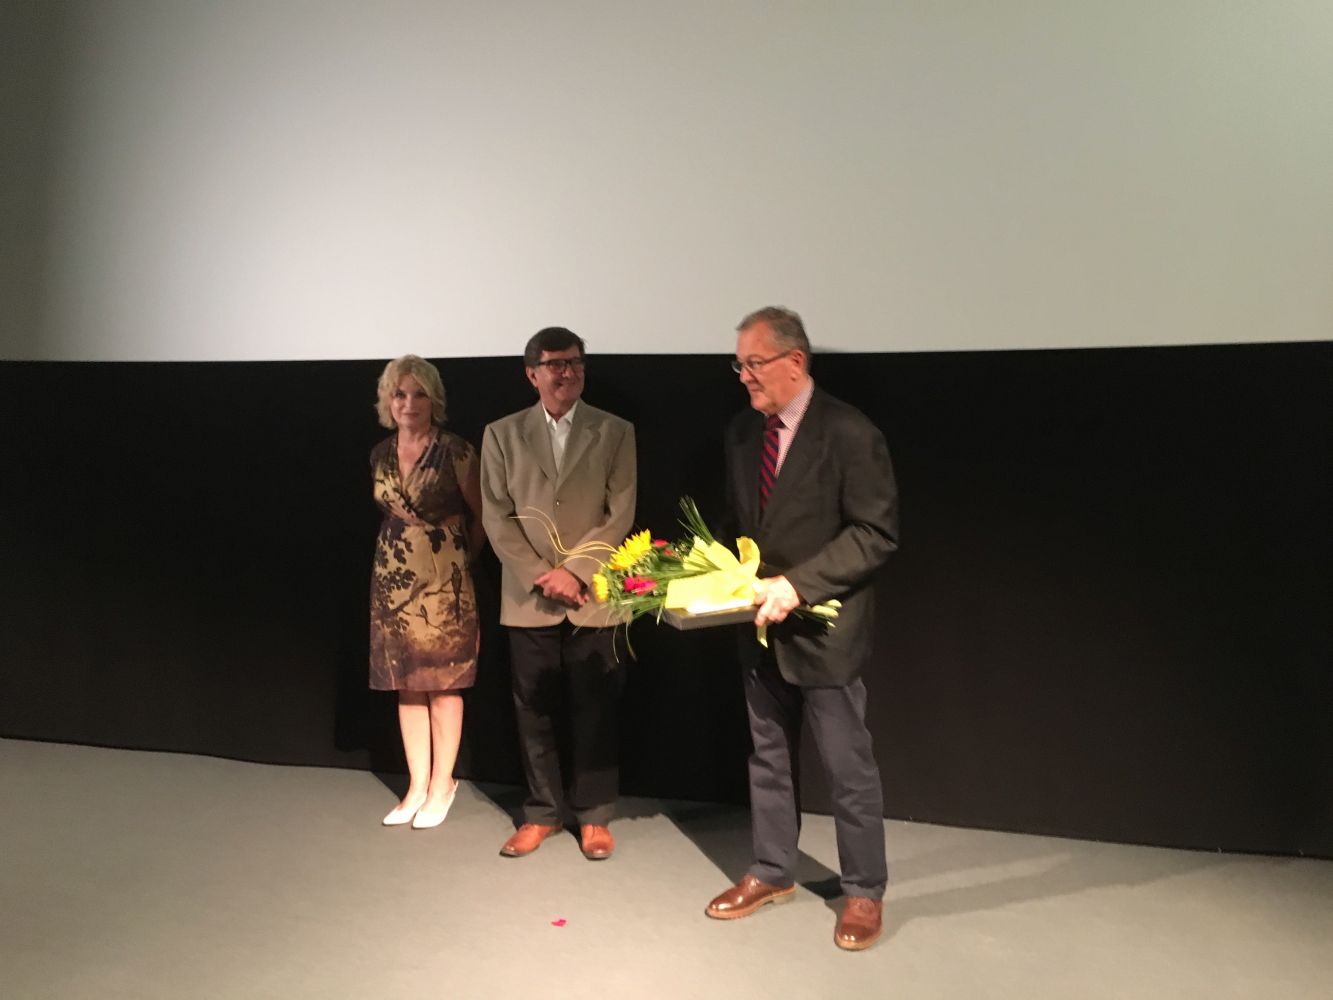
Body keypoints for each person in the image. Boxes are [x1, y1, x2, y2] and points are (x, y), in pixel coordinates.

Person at [704, 307, 899, 951]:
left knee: (847, 767)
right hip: (758, 628)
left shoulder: (850, 432)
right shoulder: (741, 433)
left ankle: (864, 890)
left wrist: (798, 586)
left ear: (795, 361)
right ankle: (771, 870)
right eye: (739, 365)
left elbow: (874, 534)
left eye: (754, 364)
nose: (744, 376)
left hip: (825, 631)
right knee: (767, 758)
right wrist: (708, 576)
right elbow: (740, 526)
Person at [480, 327, 636, 860]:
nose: (566, 372)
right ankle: (542, 812)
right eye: (554, 364)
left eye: (574, 363)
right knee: (534, 709)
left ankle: (594, 816)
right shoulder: (501, 434)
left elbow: (620, 513)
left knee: (597, 708)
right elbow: (496, 516)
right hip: (530, 596)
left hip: (595, 595)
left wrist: (577, 571)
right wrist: (542, 574)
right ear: (532, 374)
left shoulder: (615, 431)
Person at [369, 355, 486, 829]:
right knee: (406, 682)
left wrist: (460, 559)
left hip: (443, 580)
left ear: (433, 399)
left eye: (418, 394)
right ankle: (417, 786)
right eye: (400, 394)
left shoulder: (456, 450)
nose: (408, 403)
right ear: (388, 400)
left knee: (443, 682)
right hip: (392, 578)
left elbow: (483, 515)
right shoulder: (379, 453)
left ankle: (443, 784)